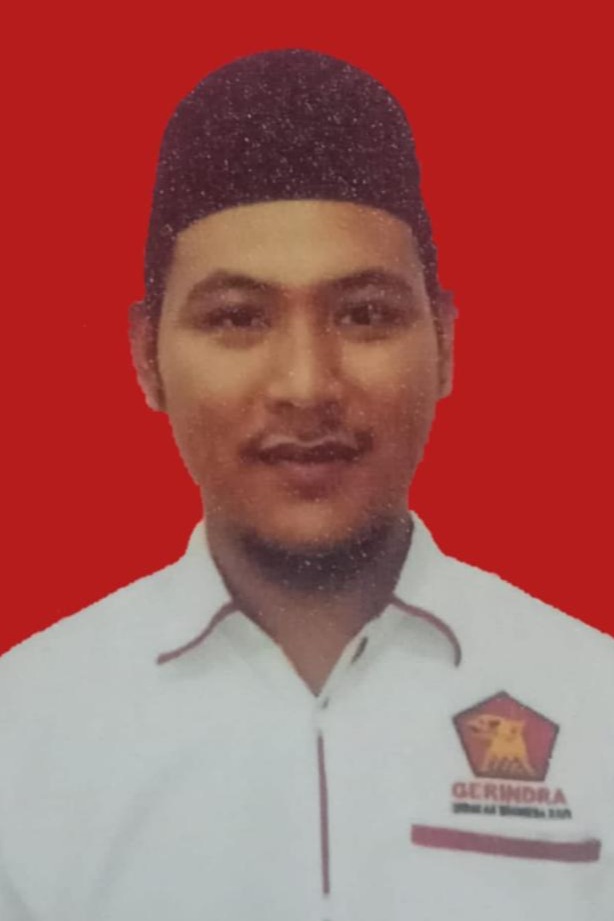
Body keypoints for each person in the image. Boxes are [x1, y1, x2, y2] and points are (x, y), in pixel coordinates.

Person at [0, 48, 612, 921]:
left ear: (443, 342)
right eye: (237, 317)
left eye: (364, 314)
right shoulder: (23, 729)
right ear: (146, 357)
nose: (306, 384)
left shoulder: (595, 704)